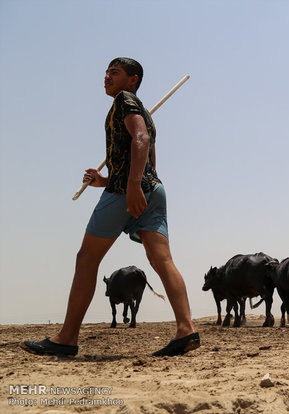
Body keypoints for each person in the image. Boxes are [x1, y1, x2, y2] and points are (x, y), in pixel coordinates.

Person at [21, 57, 200, 357]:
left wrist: (128, 187)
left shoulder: (125, 101)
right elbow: (147, 160)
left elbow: (140, 140)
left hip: (127, 191)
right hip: (153, 189)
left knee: (86, 259)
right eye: (105, 72)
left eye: (114, 73)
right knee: (162, 260)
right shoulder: (144, 112)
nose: (106, 77)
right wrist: (104, 180)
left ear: (133, 79)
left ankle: (66, 338)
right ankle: (186, 329)